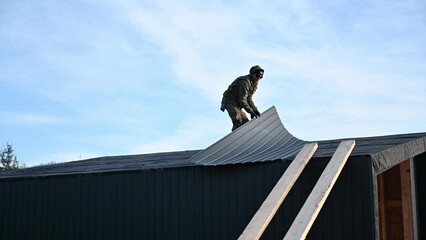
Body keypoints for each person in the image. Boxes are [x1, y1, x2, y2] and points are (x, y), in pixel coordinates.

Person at [220, 65, 264, 131]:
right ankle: (234, 139)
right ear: (252, 74)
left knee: (245, 123)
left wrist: (254, 110)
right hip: (230, 101)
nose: (258, 78)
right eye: (257, 76)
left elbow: (249, 99)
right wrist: (250, 111)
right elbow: (242, 100)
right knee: (237, 121)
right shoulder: (245, 82)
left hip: (237, 104)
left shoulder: (254, 84)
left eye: (260, 77)